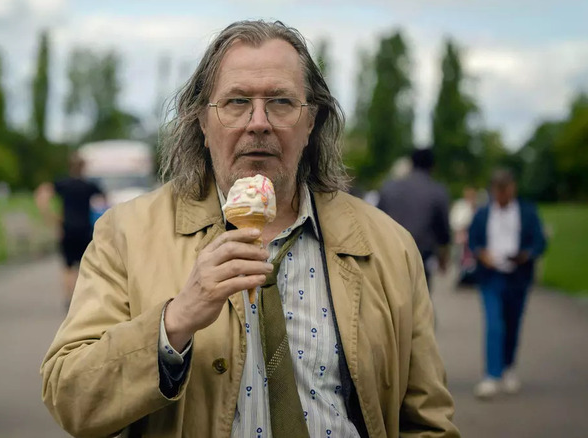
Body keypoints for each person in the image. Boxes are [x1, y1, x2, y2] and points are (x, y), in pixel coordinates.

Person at [41, 20, 459, 438]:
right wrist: (174, 323)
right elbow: (71, 398)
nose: (258, 122)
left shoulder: (389, 245)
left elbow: (427, 421)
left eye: (280, 102)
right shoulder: (127, 235)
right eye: (237, 102)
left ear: (311, 121)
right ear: (202, 123)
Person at [468, 169, 546, 399]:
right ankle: (492, 375)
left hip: (517, 276)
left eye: (506, 189)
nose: (502, 194)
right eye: (498, 190)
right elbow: (473, 241)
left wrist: (526, 255)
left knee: (512, 323)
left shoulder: (527, 212)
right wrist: (482, 254)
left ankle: (508, 367)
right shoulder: (483, 213)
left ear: (513, 188)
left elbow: (539, 242)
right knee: (494, 324)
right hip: (491, 276)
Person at [34, 153, 104, 308]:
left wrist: (50, 217)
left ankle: (69, 299)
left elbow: (42, 194)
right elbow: (105, 202)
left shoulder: (63, 184)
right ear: (84, 167)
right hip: (85, 230)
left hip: (67, 229)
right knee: (85, 266)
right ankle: (83, 299)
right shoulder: (89, 186)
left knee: (67, 266)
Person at [378, 149, 451, 291]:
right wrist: (443, 257)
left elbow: (375, 220)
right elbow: (442, 230)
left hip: (389, 254)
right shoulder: (436, 191)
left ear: (411, 163)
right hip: (420, 257)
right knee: (419, 304)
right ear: (433, 166)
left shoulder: (389, 187)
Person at [450, 186, 479, 287]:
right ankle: (460, 277)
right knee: (459, 258)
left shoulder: (476, 206)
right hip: (461, 235)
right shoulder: (460, 205)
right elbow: (455, 220)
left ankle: (470, 277)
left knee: (470, 259)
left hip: (471, 237)